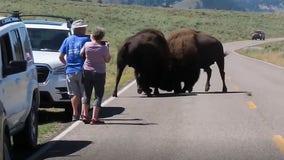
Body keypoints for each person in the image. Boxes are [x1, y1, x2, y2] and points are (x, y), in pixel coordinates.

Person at [59, 19, 90, 121]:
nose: (85, 29)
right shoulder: (86, 39)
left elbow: (61, 56)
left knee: (74, 93)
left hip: (70, 70)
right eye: (84, 28)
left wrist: (67, 64)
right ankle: (83, 114)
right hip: (82, 69)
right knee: (84, 92)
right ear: (80, 29)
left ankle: (75, 113)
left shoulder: (67, 40)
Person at [80, 26, 111, 125]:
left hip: (87, 71)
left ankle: (85, 114)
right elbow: (107, 60)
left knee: (86, 93)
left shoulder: (87, 44)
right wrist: (107, 48)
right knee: (98, 95)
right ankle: (94, 118)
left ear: (93, 35)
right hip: (99, 72)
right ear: (101, 37)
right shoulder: (104, 48)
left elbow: (81, 54)